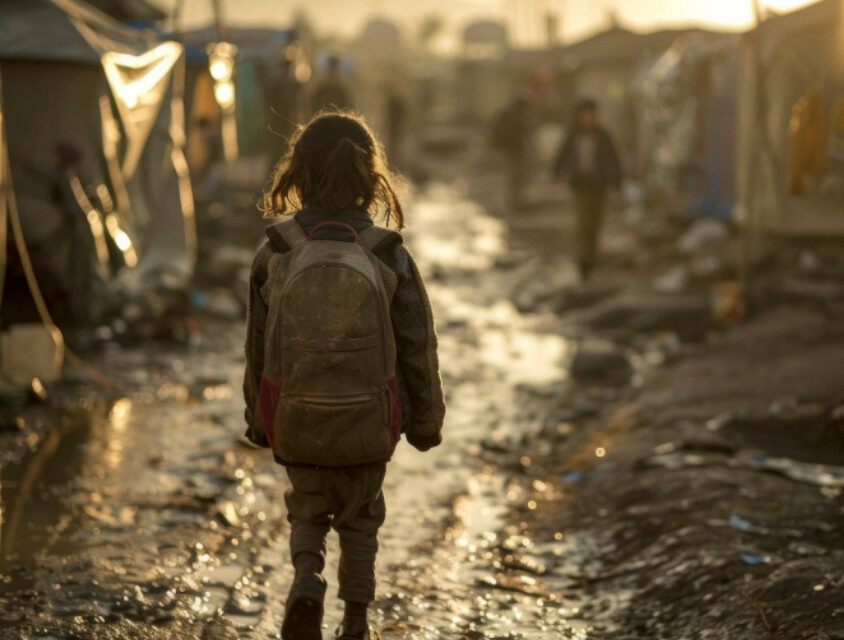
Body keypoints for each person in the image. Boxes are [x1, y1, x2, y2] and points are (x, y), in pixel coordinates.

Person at [243, 111, 446, 640]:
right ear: (369, 177)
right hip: (367, 424)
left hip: (298, 419)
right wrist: (425, 420)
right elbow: (417, 347)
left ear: (299, 175)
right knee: (361, 520)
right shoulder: (387, 252)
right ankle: (356, 621)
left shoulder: (277, 250)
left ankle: (307, 576)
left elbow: (258, 351)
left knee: (306, 510)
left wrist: (258, 421)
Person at [551, 98, 622, 281]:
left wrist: (617, 180)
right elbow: (562, 156)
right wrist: (556, 174)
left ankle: (592, 258)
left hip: (599, 186)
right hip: (579, 186)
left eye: (590, 114)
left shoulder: (603, 135)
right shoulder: (573, 135)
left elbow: (612, 159)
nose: (587, 118)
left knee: (595, 223)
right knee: (582, 224)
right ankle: (583, 261)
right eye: (584, 114)